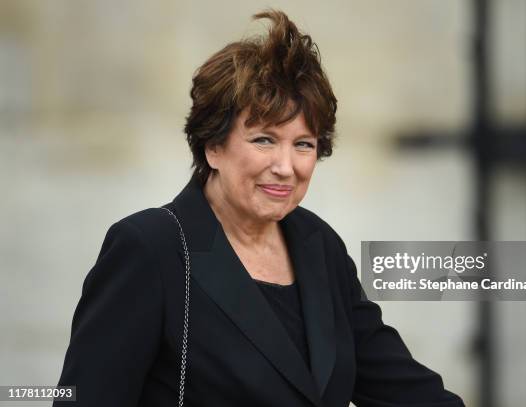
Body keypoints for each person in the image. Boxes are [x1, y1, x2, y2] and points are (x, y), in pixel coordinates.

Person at [54, 10, 464, 407]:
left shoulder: (319, 246)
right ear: (213, 146)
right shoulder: (149, 248)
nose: (285, 167)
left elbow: (404, 390)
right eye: (264, 140)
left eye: (303, 144)